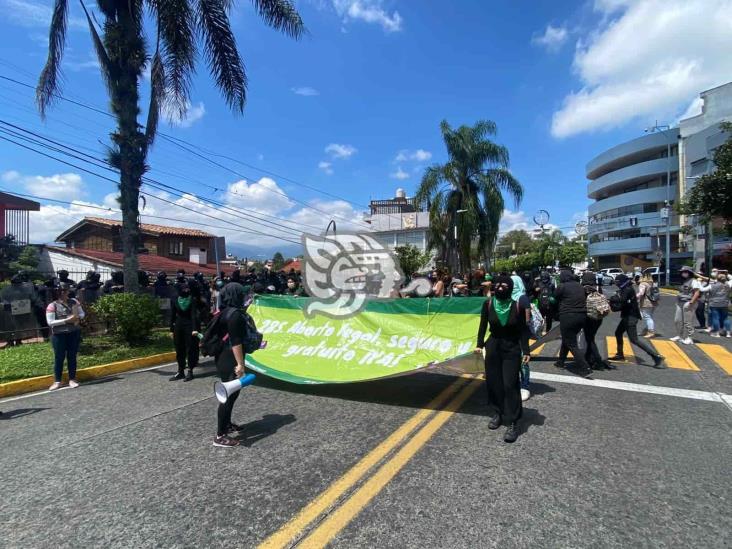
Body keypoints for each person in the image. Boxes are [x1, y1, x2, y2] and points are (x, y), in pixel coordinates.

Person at [475, 275, 530, 443]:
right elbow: (483, 324)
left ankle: (513, 421)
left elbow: (522, 330)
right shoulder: (489, 303)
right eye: (497, 284)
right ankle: (498, 413)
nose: (500, 287)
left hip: (512, 347)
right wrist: (479, 344)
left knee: (510, 384)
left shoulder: (517, 305)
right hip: (493, 346)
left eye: (504, 284)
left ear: (511, 287)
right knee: (494, 382)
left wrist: (526, 350)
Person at [212, 283, 252, 447]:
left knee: (233, 394)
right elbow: (235, 342)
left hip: (225, 357)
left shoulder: (225, 311)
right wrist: (240, 364)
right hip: (230, 359)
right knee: (227, 397)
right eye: (241, 293)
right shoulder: (234, 315)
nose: (244, 296)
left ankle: (227, 425)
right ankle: (220, 436)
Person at [609, 275, 666, 368]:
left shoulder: (627, 289)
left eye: (617, 282)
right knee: (618, 333)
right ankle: (620, 354)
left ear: (622, 281)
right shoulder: (626, 288)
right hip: (627, 316)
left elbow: (621, 300)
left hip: (631, 317)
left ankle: (656, 356)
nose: (617, 284)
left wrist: (611, 299)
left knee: (634, 339)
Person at [46, 283, 85, 390]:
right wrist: (66, 320)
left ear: (68, 291)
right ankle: (57, 381)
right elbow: (50, 322)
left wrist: (77, 317)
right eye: (60, 291)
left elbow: (82, 314)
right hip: (59, 335)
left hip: (73, 332)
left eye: (64, 290)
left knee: (72, 356)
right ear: (56, 292)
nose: (63, 292)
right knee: (59, 357)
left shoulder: (74, 302)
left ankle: (72, 379)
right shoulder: (52, 305)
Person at [554, 269, 592, 377]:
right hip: (582, 316)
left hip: (568, 316)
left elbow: (554, 298)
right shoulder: (579, 285)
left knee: (571, 343)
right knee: (568, 339)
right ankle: (560, 362)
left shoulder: (562, 286)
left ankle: (585, 367)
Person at [169, 282, 205, 382]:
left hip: (190, 325)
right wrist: (171, 330)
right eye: (184, 289)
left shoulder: (192, 299)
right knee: (179, 348)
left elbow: (194, 315)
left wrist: (194, 329)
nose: (186, 291)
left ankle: (190, 371)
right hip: (179, 325)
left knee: (191, 348)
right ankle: (180, 371)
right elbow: (172, 315)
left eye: (187, 289)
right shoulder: (175, 299)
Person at [581, 271, 614, 371]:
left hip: (589, 318)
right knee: (591, 338)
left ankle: (598, 361)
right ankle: (588, 358)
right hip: (599, 317)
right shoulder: (598, 288)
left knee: (590, 340)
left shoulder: (583, 289)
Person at [671, 266, 702, 345]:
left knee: (687, 322)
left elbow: (697, 293)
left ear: (690, 273)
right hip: (680, 302)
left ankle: (690, 337)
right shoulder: (684, 281)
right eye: (682, 272)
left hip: (689, 302)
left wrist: (691, 302)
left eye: (685, 272)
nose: (683, 273)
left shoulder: (694, 281)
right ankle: (679, 336)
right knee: (677, 320)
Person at [707, 272, 731, 337]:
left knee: (715, 318)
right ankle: (728, 333)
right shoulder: (728, 285)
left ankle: (716, 333)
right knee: (726, 318)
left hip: (715, 303)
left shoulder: (712, 285)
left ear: (717, 279)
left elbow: (703, 290)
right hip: (725, 303)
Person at [637, 273, 658, 338]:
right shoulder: (652, 283)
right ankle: (646, 330)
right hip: (653, 302)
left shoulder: (642, 284)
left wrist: (634, 297)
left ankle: (651, 332)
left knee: (647, 317)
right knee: (649, 317)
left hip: (646, 303)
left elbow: (641, 293)